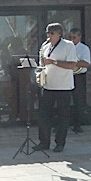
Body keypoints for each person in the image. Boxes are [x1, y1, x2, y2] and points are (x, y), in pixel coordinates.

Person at [33, 23, 77, 153]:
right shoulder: (45, 46)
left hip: (63, 86)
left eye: (51, 33)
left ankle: (60, 143)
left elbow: (72, 65)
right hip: (47, 85)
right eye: (47, 33)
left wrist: (53, 62)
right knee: (44, 115)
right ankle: (44, 142)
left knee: (63, 116)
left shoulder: (68, 45)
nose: (48, 36)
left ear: (59, 34)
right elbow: (43, 63)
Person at [69, 28, 90, 133]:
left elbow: (86, 63)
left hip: (79, 76)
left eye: (74, 37)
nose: (72, 40)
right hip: (68, 76)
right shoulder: (67, 47)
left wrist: (74, 63)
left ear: (79, 37)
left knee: (78, 101)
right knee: (65, 101)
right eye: (70, 37)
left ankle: (77, 125)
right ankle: (62, 124)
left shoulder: (84, 48)